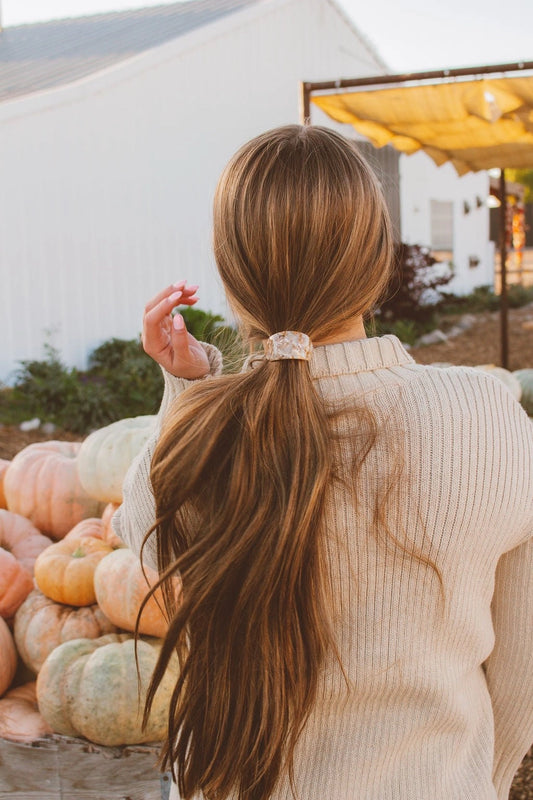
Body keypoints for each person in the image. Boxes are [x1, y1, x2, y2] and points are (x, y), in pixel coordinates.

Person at [112, 124, 533, 800]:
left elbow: (150, 534)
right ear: (375, 263)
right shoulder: (486, 417)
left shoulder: (193, 446)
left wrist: (191, 391)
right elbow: (521, 672)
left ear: (229, 273)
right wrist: (468, 781)